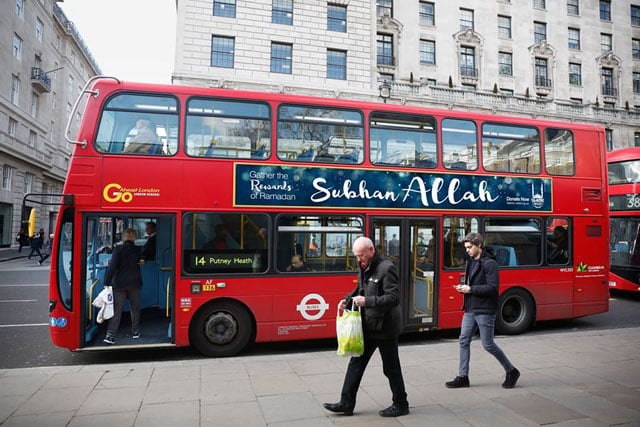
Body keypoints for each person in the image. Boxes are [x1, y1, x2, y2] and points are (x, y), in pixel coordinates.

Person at [323, 237, 409, 418]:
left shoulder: (387, 268)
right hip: (369, 325)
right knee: (356, 363)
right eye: (356, 256)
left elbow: (394, 298)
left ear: (371, 250)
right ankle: (346, 403)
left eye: (361, 255)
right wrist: (347, 300)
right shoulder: (364, 265)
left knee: (391, 368)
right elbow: (361, 289)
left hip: (386, 328)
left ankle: (401, 404)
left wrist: (367, 302)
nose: (358, 259)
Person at [446, 232, 520, 389]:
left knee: (488, 344)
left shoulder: (490, 264)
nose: (467, 250)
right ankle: (462, 376)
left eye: (469, 247)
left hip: (485, 310)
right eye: (466, 247)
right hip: (470, 308)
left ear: (479, 245)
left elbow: (493, 288)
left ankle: (511, 371)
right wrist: (463, 289)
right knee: (463, 340)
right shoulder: (471, 262)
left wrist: (470, 289)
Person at [103, 228, 143, 344]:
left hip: (120, 283)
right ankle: (135, 331)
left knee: (117, 309)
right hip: (135, 283)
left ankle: (110, 335)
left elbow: (113, 267)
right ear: (134, 237)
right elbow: (141, 260)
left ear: (124, 237)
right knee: (135, 308)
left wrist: (106, 282)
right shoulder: (137, 249)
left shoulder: (118, 249)